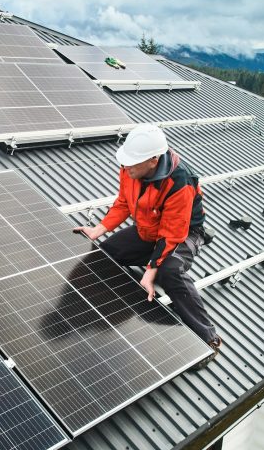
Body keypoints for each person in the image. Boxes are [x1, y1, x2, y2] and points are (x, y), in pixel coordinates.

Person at [74, 124, 222, 357]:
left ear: (153, 160)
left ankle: (209, 338)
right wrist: (98, 229)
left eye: (131, 163)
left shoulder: (179, 181)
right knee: (103, 253)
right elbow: (124, 202)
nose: (125, 167)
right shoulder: (131, 168)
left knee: (169, 271)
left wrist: (152, 270)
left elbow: (172, 233)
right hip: (148, 229)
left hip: (184, 234)